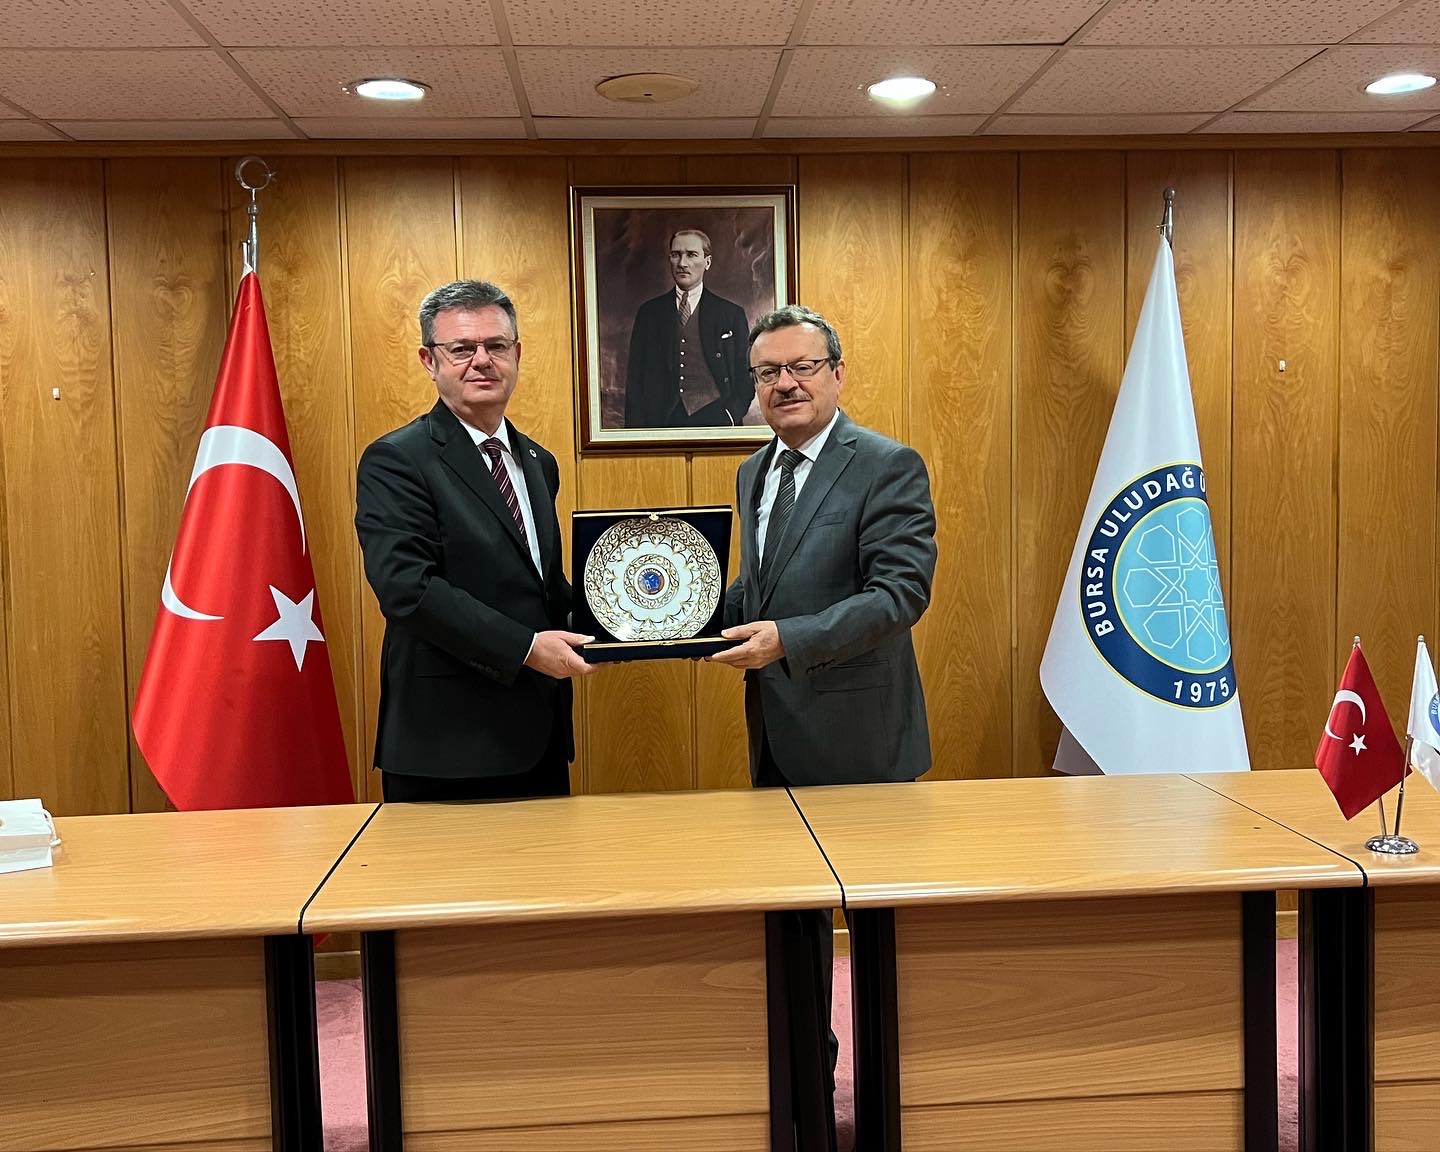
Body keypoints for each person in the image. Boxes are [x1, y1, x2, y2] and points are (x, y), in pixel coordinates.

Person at [709, 303, 937, 1143]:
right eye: (768, 372)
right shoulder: (753, 472)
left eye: (802, 367)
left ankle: (888, 1112)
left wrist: (788, 641)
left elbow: (899, 594)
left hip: (863, 745)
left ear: (837, 374)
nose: (785, 384)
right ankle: (809, 1098)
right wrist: (675, 618)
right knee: (794, 939)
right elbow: (759, 589)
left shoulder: (886, 465)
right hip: (777, 738)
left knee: (878, 947)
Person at [355, 280, 593, 803]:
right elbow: (408, 590)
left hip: (540, 736)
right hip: (446, 745)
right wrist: (526, 649)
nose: (482, 361)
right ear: (429, 360)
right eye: (462, 348)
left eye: (496, 346)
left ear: (517, 355)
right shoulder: (397, 460)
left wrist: (634, 624)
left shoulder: (538, 462)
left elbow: (542, 587)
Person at [623, 228, 753, 428]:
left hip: (717, 421)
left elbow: (747, 375)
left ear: (707, 262)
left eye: (691, 255)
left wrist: (730, 415)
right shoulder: (649, 313)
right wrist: (635, 434)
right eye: (676, 255)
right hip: (661, 423)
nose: (682, 263)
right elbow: (635, 380)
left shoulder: (730, 314)